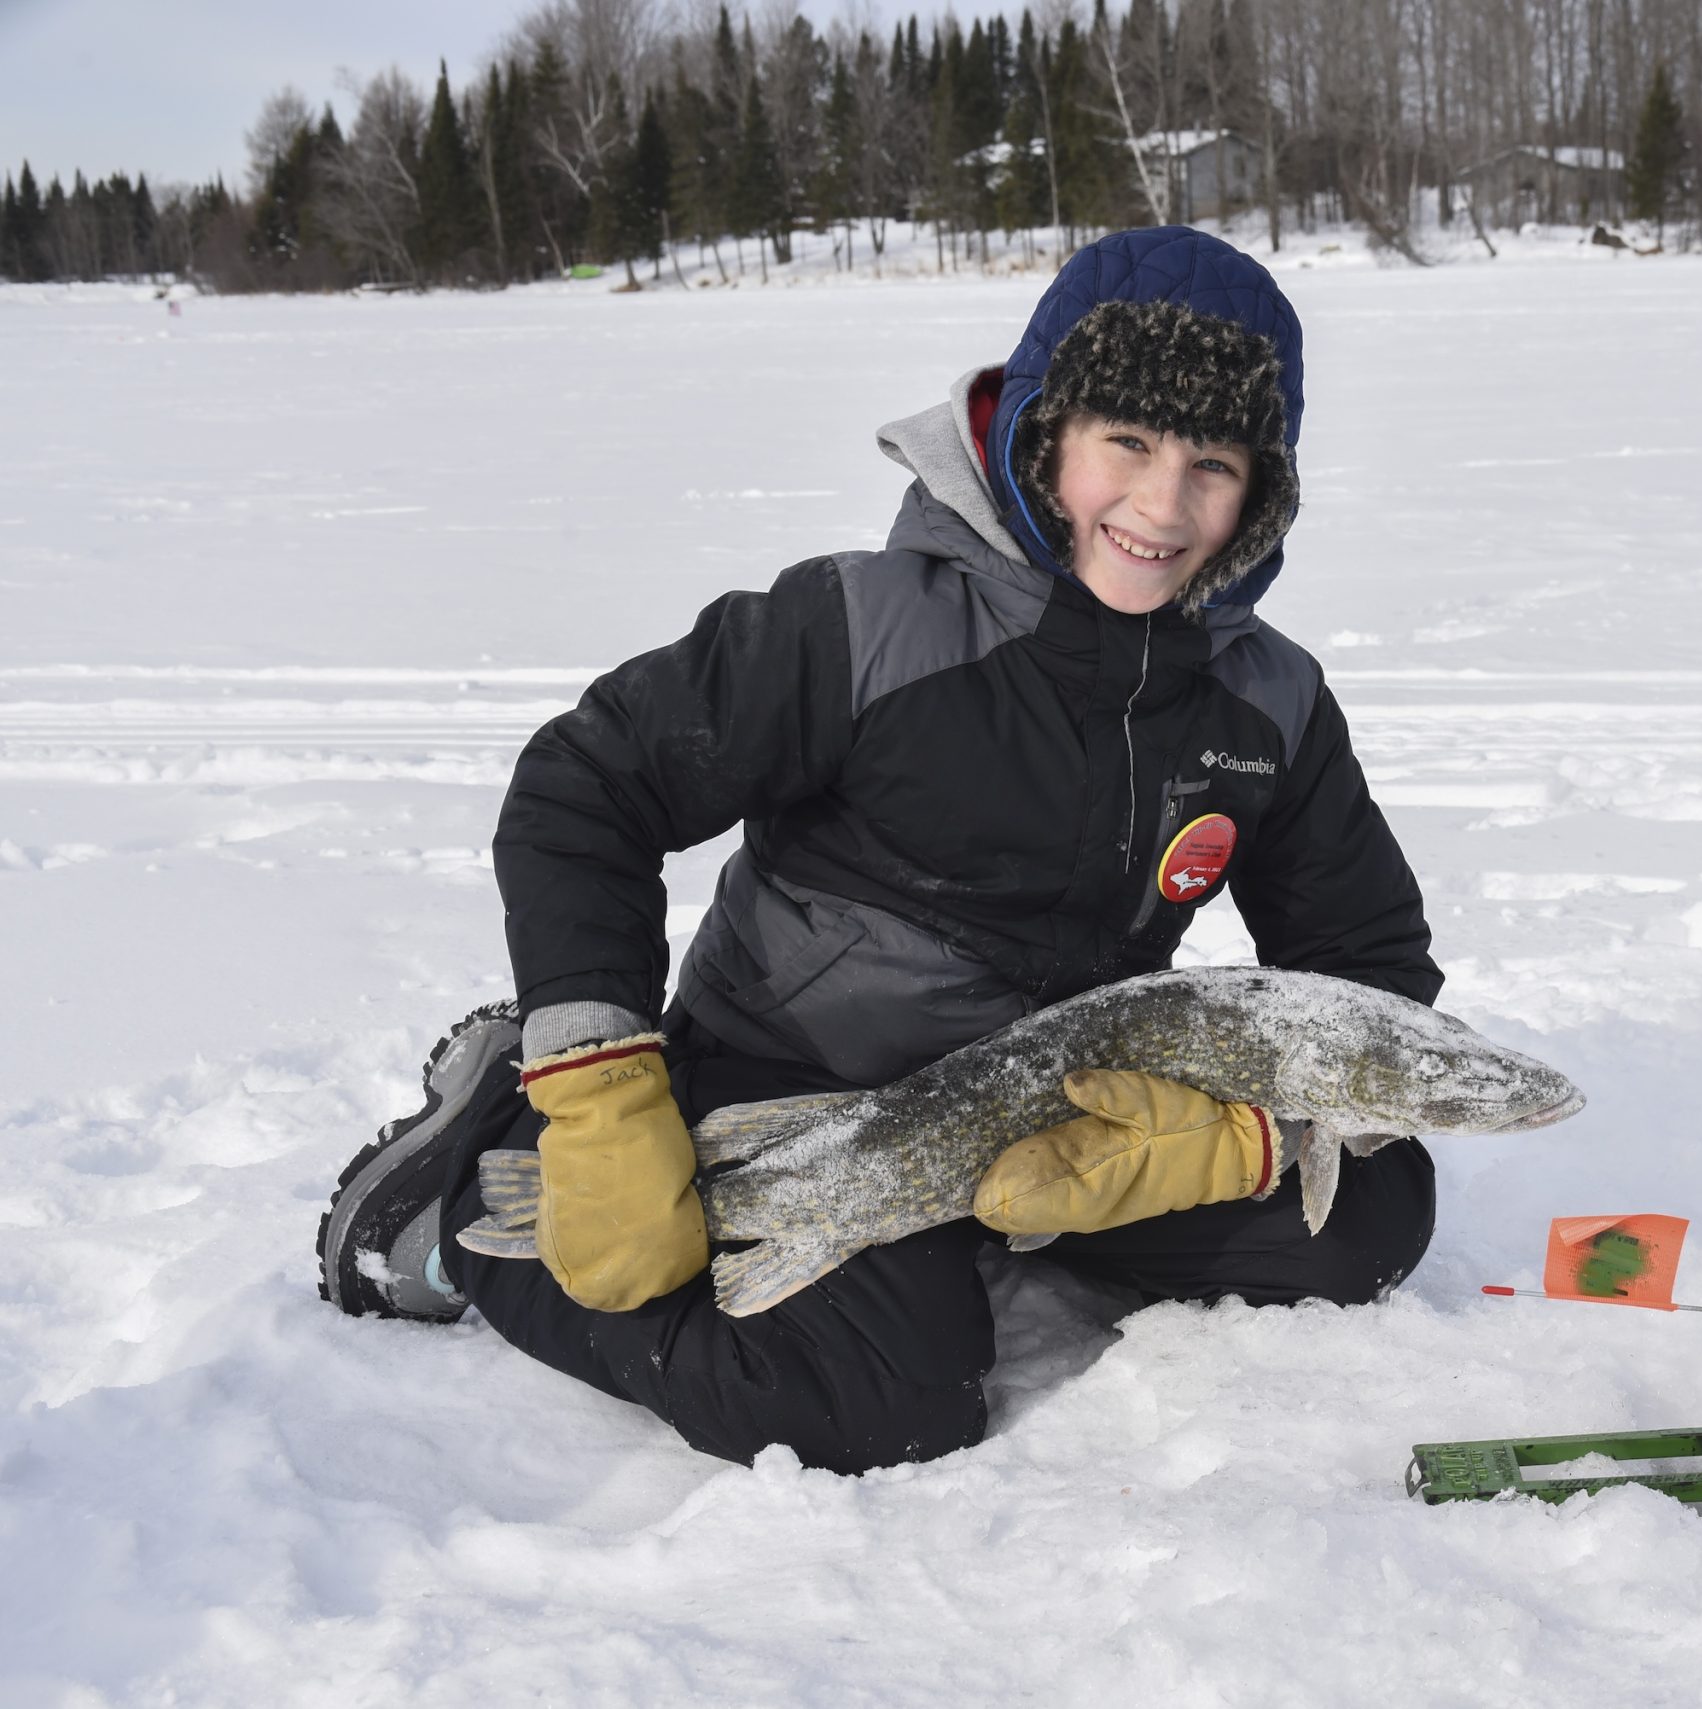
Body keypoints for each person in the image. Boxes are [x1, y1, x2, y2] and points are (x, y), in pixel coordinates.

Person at [315, 226, 1442, 1474]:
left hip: (1051, 1119)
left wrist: (1241, 1134)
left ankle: (968, 1230)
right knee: (878, 1397)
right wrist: (597, 1074)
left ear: (1261, 493)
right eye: (1125, 441)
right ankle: (472, 1187)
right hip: (799, 1077)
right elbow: (588, 779)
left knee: (1368, 1214)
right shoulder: (864, 625)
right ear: (1041, 434)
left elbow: (1363, 964)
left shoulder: (1268, 702)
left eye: (1212, 462)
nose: (1161, 506)